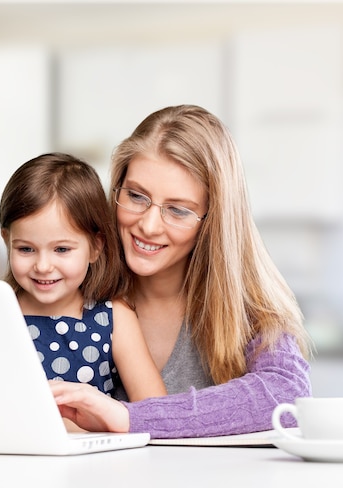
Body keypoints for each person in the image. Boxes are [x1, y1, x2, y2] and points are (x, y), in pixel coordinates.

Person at [49, 105, 312, 438]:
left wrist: (130, 418)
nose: (147, 225)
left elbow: (287, 395)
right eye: (135, 196)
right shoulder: (69, 284)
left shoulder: (249, 308)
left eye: (177, 210)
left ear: (213, 220)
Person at [0, 152, 166, 402]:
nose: (43, 266)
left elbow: (156, 409)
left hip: (91, 442)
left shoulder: (113, 317)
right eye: (26, 249)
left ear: (95, 247)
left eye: (62, 250)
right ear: (7, 241)